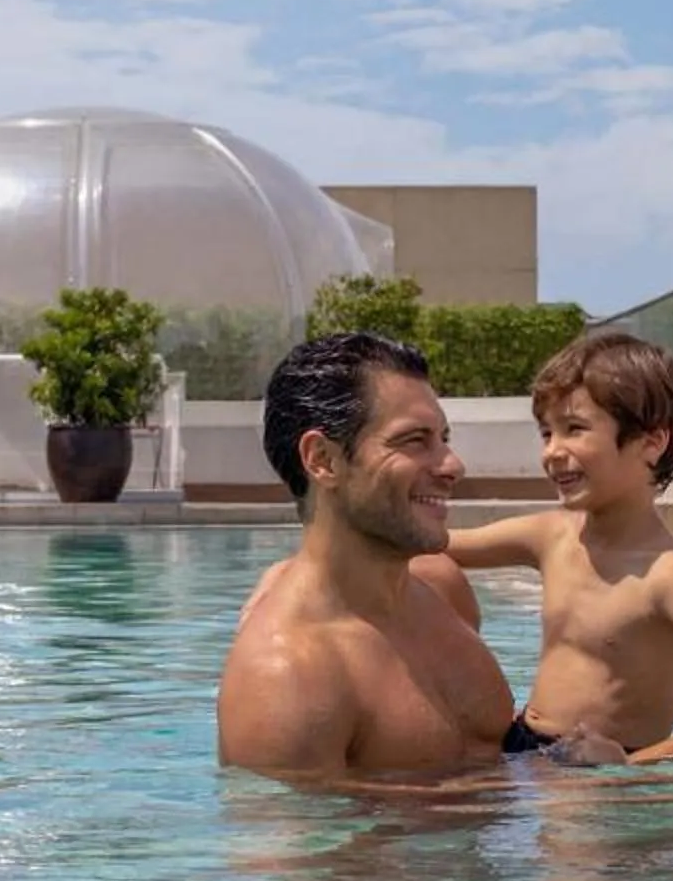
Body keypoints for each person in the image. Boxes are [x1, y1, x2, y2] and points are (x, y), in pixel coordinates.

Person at [218, 331, 622, 778]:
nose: (452, 465)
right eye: (414, 441)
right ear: (323, 460)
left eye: (443, 439)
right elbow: (325, 845)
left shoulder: (441, 587)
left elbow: (490, 767)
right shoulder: (288, 679)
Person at [438, 330, 673, 763]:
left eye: (574, 429)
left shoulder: (668, 575)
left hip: (601, 773)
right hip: (521, 743)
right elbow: (436, 546)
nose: (552, 452)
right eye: (547, 433)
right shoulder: (552, 535)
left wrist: (633, 765)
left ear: (652, 443)